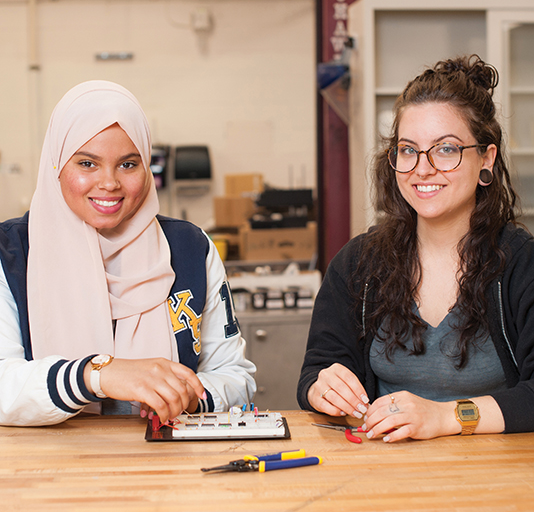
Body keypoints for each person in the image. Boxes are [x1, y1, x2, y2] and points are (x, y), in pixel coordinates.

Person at [298, 54, 534, 441]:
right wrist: (321, 387)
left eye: (446, 149)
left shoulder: (521, 263)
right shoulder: (358, 263)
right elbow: (317, 370)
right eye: (408, 150)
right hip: (388, 477)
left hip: (499, 481)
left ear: (486, 160)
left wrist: (444, 418)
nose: (422, 168)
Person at [0, 80, 256, 426]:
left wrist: (180, 395)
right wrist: (97, 375)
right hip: (47, 473)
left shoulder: (189, 249)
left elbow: (236, 377)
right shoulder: (11, 253)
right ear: (57, 164)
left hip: (167, 468)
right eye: (87, 164)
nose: (109, 183)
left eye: (128, 164)